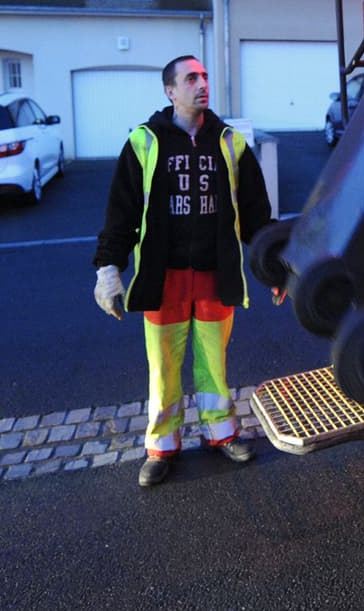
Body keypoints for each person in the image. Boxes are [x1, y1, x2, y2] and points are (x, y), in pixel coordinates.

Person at [92, 55, 276, 487]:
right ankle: (161, 447)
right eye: (191, 78)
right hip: (164, 276)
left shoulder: (230, 143)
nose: (202, 84)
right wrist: (108, 268)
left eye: (205, 77)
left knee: (215, 363)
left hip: (215, 273)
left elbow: (256, 214)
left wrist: (276, 264)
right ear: (170, 91)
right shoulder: (144, 142)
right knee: (163, 367)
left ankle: (222, 433)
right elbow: (121, 212)